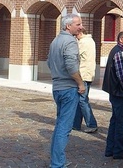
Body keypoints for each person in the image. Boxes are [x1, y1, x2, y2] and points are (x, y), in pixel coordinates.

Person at [47, 14, 86, 168]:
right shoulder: (70, 41)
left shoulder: (55, 40)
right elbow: (71, 66)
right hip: (68, 88)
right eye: (78, 24)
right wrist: (80, 83)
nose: (80, 26)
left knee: (60, 125)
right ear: (68, 26)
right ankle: (57, 163)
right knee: (64, 127)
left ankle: (58, 160)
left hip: (57, 87)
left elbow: (50, 62)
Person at [102, 30, 123, 159]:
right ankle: (119, 150)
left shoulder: (119, 50)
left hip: (116, 92)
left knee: (115, 121)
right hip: (121, 94)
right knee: (122, 122)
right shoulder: (120, 53)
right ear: (121, 39)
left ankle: (111, 149)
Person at [72, 28, 98, 133]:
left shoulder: (83, 42)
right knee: (80, 100)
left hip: (83, 74)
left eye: (76, 35)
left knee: (83, 100)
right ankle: (76, 123)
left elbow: (75, 55)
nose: (75, 37)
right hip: (88, 74)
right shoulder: (90, 41)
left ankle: (91, 123)